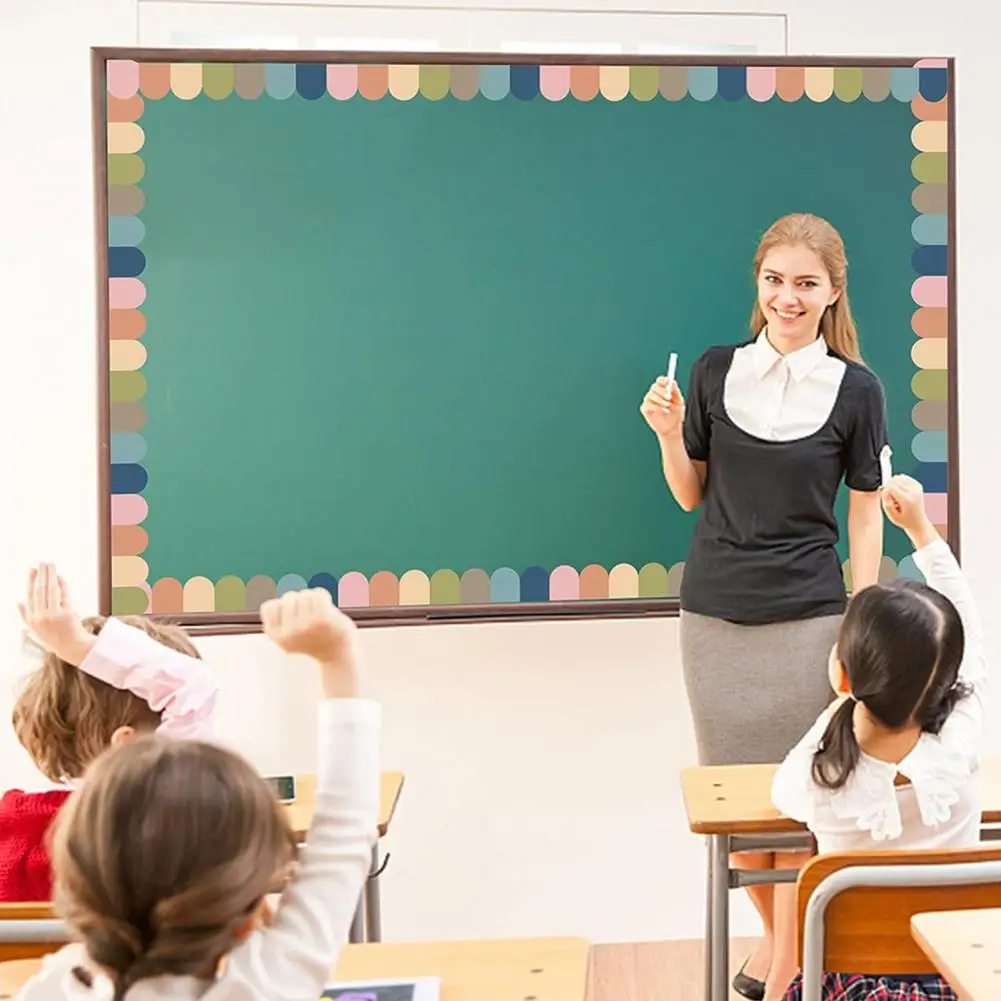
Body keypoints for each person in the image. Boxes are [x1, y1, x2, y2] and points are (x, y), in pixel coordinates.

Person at [639, 213, 888, 1000]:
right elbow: (692, 495)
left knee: (806, 799)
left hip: (811, 615)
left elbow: (865, 509)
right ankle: (787, 954)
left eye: (804, 283)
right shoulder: (714, 370)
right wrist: (670, 434)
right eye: (774, 279)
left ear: (831, 292)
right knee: (739, 804)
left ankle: (782, 965)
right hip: (713, 617)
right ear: (759, 283)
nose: (787, 296)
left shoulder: (856, 389)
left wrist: (862, 610)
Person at [15, 586, 380, 1001]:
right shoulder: (268, 982)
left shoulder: (50, 989)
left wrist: (74, 645)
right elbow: (343, 835)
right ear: (246, 921)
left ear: (73, 894)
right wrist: (338, 658)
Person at [769, 474, 979, 1001]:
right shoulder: (961, 746)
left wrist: (840, 702)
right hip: (958, 979)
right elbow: (969, 630)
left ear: (843, 676)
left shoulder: (818, 778)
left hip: (852, 990)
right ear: (948, 679)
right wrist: (922, 532)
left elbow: (780, 794)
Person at [0, 564, 218, 901]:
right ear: (128, 750)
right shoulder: (146, 829)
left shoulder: (12, 831)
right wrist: (76, 645)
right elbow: (193, 689)